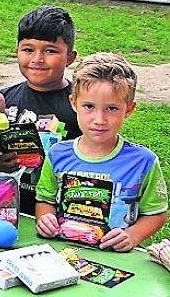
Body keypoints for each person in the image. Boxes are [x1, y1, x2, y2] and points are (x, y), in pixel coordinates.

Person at [35, 53, 167, 252]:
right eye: (89, 106)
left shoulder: (143, 162)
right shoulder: (57, 154)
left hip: (119, 260)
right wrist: (45, 219)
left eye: (112, 108)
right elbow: (45, 200)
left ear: (129, 109)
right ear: (73, 103)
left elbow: (156, 214)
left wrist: (132, 235)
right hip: (63, 254)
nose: (99, 119)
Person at [0, 5, 80, 214]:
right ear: (17, 50)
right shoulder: (2, 100)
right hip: (8, 209)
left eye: (50, 51)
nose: (37, 59)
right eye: (28, 49)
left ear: (69, 57)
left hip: (60, 216)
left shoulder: (81, 107)